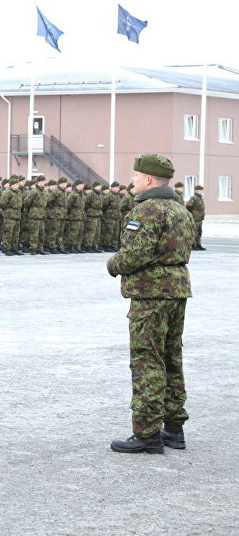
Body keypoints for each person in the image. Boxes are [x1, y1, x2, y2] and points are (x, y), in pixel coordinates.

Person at [107, 154, 195, 454]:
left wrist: (113, 263)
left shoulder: (147, 210)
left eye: (135, 176)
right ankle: (174, 428)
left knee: (147, 359)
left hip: (150, 294)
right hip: (177, 290)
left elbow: (135, 255)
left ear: (147, 180)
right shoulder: (180, 209)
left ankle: (147, 433)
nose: (132, 181)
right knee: (171, 357)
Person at [186, 185, 206, 250]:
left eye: (201, 190)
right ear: (196, 191)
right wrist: (193, 214)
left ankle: (198, 244)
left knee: (199, 232)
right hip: (195, 218)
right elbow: (188, 206)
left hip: (200, 218)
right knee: (194, 232)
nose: (201, 191)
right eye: (200, 190)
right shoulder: (194, 198)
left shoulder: (200, 198)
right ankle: (193, 245)